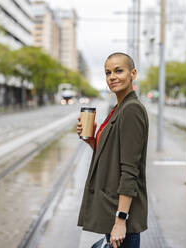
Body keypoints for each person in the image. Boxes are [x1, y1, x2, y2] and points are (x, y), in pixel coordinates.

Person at [77, 52, 149, 248]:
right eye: (108, 72)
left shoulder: (131, 110)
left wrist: (120, 221)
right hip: (113, 212)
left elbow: (130, 170)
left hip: (123, 220)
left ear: (133, 73)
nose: (112, 77)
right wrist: (92, 139)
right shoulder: (118, 108)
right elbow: (111, 155)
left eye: (119, 71)